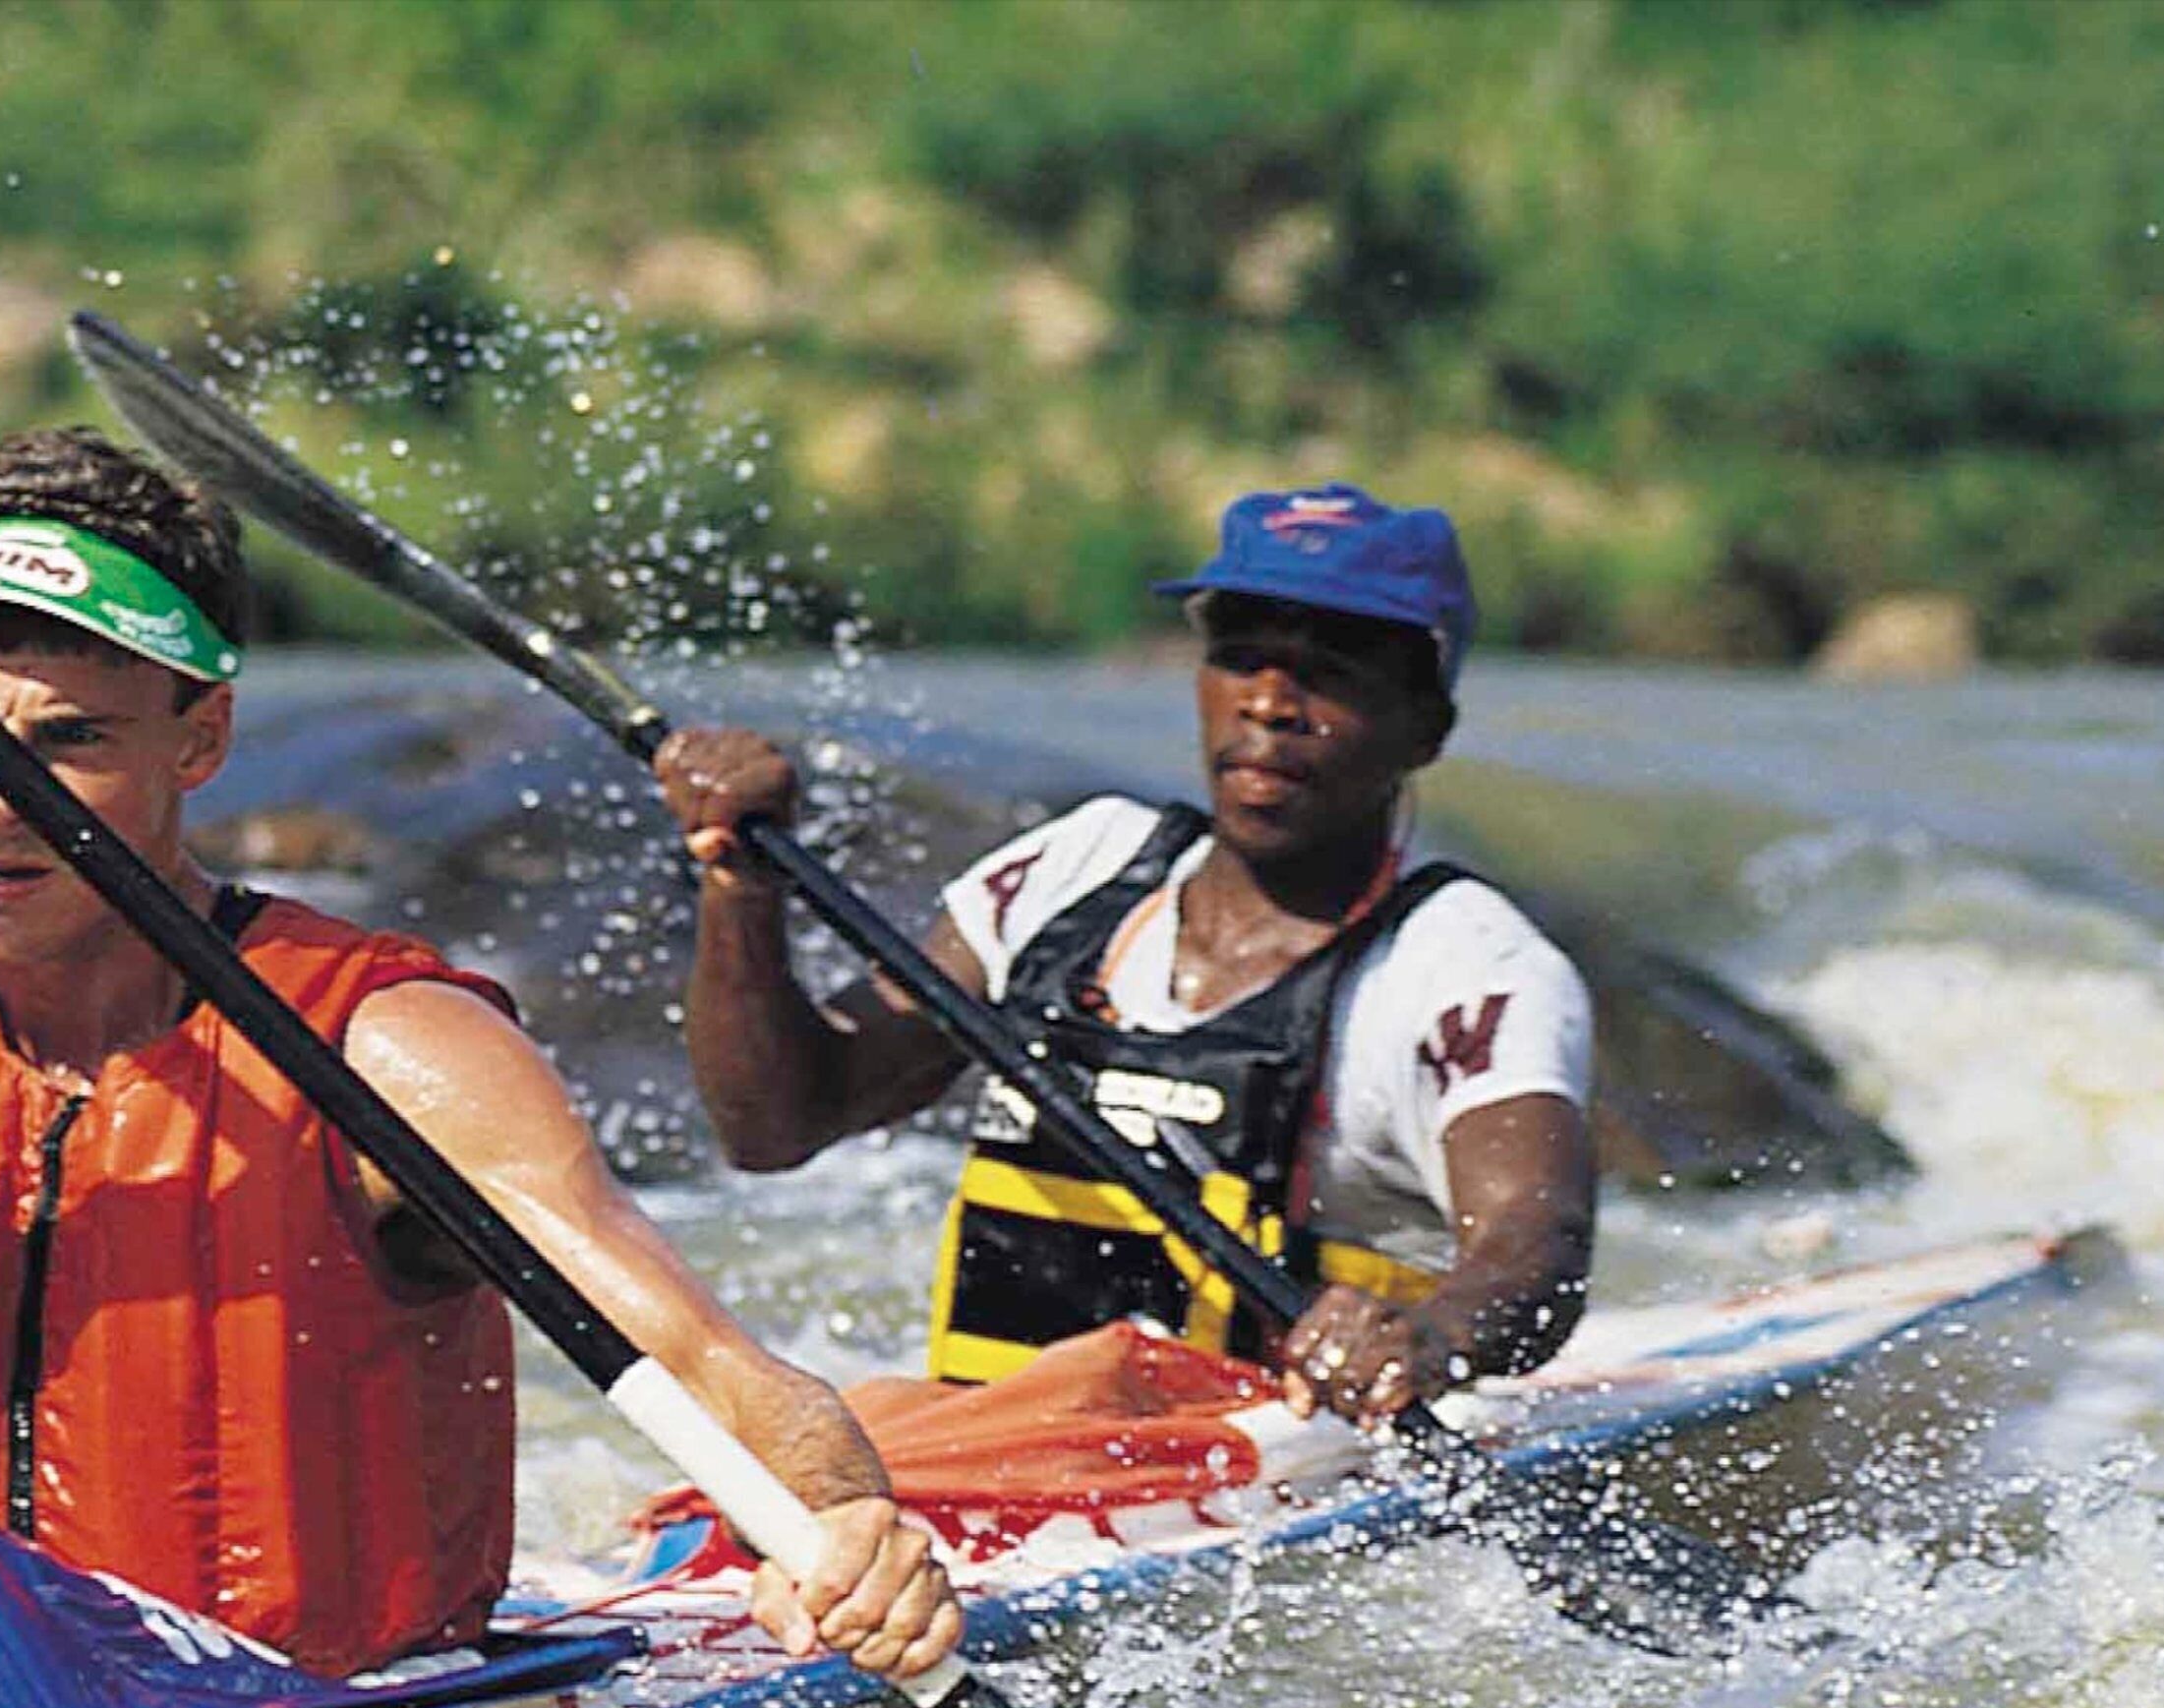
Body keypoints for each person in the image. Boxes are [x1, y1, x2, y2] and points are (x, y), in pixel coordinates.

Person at [0, 413, 958, 1682]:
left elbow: (706, 1363)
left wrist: (846, 1526)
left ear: (198, 743)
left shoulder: (388, 1046)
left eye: (71, 739)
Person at [650, 485, 1597, 1425]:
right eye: (1241, 659)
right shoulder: (1072, 869)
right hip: (993, 1450)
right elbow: (776, 1129)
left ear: (1426, 727)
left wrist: (1429, 1339)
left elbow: (1535, 1246)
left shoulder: (1469, 968)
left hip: (1280, 1461)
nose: (1270, 703)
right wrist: (740, 888)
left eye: (1331, 672)